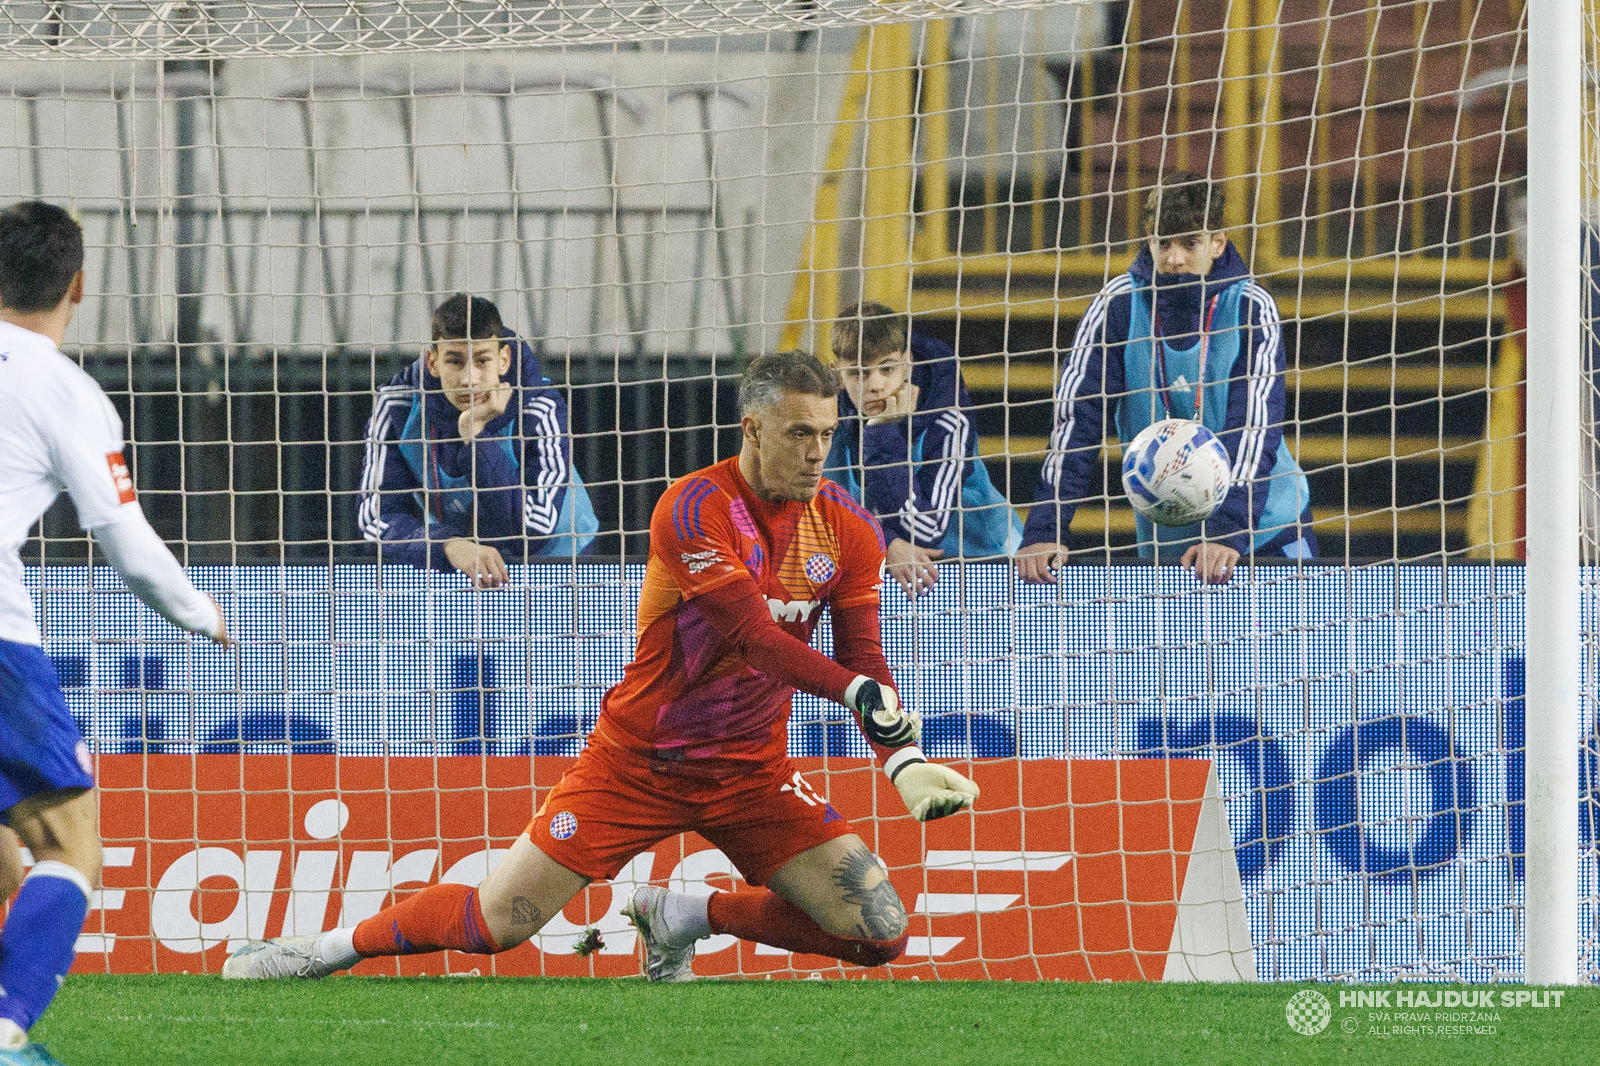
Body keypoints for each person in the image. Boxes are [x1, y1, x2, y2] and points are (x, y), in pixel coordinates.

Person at [224, 351, 980, 983]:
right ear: (753, 428)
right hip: (637, 763)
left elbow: (863, 656)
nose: (817, 453)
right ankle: (319, 949)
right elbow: (753, 638)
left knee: (879, 933)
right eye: (799, 434)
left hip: (752, 770)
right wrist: (859, 693)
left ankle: (682, 914)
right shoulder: (694, 508)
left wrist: (902, 758)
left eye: (827, 433)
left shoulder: (847, 526)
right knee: (496, 925)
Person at [0, 201, 229, 1066]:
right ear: (79, 286)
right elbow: (126, 543)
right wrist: (200, 615)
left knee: (4, 860)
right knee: (70, 846)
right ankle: (7, 1035)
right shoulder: (60, 387)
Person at [1016, 172, 1316, 585]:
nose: (1174, 259)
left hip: (1265, 525)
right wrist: (1045, 530)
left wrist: (1230, 530)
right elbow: (1077, 422)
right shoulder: (1117, 306)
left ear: (1217, 243)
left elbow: (1254, 424)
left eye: (1189, 244)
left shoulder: (1251, 306)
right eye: (1163, 243)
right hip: (1169, 539)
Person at [358, 294, 597, 588]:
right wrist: (447, 545)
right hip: (457, 559)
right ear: (432, 362)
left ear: (503, 359)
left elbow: (533, 530)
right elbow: (376, 518)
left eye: (482, 360)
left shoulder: (540, 406)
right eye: (454, 361)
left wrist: (475, 436)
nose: (468, 378)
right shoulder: (398, 404)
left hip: (558, 561)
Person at [824, 302, 1022, 597]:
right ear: (838, 374)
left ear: (908, 363)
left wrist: (881, 433)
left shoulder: (949, 417)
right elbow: (825, 508)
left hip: (988, 560)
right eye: (857, 373)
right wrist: (886, 543)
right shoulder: (833, 419)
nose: (875, 385)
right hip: (894, 564)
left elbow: (927, 530)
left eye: (887, 368)